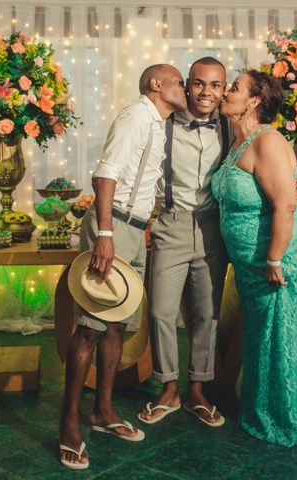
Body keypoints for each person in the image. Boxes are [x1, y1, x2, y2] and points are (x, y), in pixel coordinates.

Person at [138, 58, 297, 427]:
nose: (208, 93)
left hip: (215, 228)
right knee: (161, 311)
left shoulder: (232, 128)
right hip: (172, 224)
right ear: (187, 86)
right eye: (199, 84)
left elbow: (269, 163)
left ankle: (198, 390)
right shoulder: (160, 123)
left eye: (217, 86)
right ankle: (168, 388)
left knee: (206, 313)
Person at [59, 64, 187, 469]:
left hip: (134, 230)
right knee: (90, 328)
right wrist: (106, 234)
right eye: (179, 82)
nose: (184, 88)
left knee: (116, 324)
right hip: (112, 225)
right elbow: (106, 174)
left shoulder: (159, 123)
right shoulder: (136, 116)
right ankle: (68, 425)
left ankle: (103, 411)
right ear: (156, 85)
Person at [211, 69, 297, 447]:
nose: (226, 92)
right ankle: (262, 408)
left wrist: (274, 258)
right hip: (250, 262)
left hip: (276, 258)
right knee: (262, 336)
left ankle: (283, 416)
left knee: (281, 336)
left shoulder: (268, 140)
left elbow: (286, 204)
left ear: (255, 101)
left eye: (235, 88)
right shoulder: (238, 140)